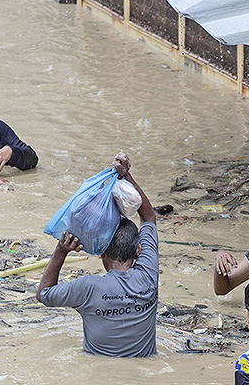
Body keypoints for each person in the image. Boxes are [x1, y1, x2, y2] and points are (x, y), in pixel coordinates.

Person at [36, 153, 158, 357]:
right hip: (143, 372)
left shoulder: (88, 288)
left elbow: (43, 294)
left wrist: (61, 250)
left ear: (102, 253)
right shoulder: (148, 278)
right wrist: (126, 175)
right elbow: (148, 217)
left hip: (99, 377)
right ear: (138, 251)